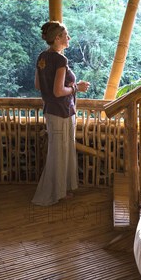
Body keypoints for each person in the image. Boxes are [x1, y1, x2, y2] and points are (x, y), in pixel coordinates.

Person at [32, 21, 90, 206]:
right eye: (66, 35)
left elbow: (38, 85)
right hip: (62, 111)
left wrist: (69, 88)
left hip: (50, 111)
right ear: (57, 38)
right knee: (61, 151)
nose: (69, 38)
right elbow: (58, 91)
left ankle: (59, 191)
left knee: (56, 152)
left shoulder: (42, 56)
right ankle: (55, 193)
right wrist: (76, 88)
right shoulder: (60, 60)